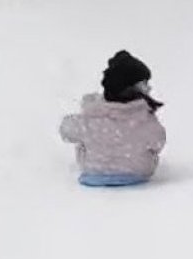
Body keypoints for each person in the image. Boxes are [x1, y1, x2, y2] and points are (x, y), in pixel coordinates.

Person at [60, 51, 167, 187]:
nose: (149, 88)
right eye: (145, 84)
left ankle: (98, 158)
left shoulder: (90, 118)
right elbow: (158, 142)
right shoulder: (144, 119)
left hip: (94, 172)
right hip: (137, 174)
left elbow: (66, 131)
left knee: (84, 140)